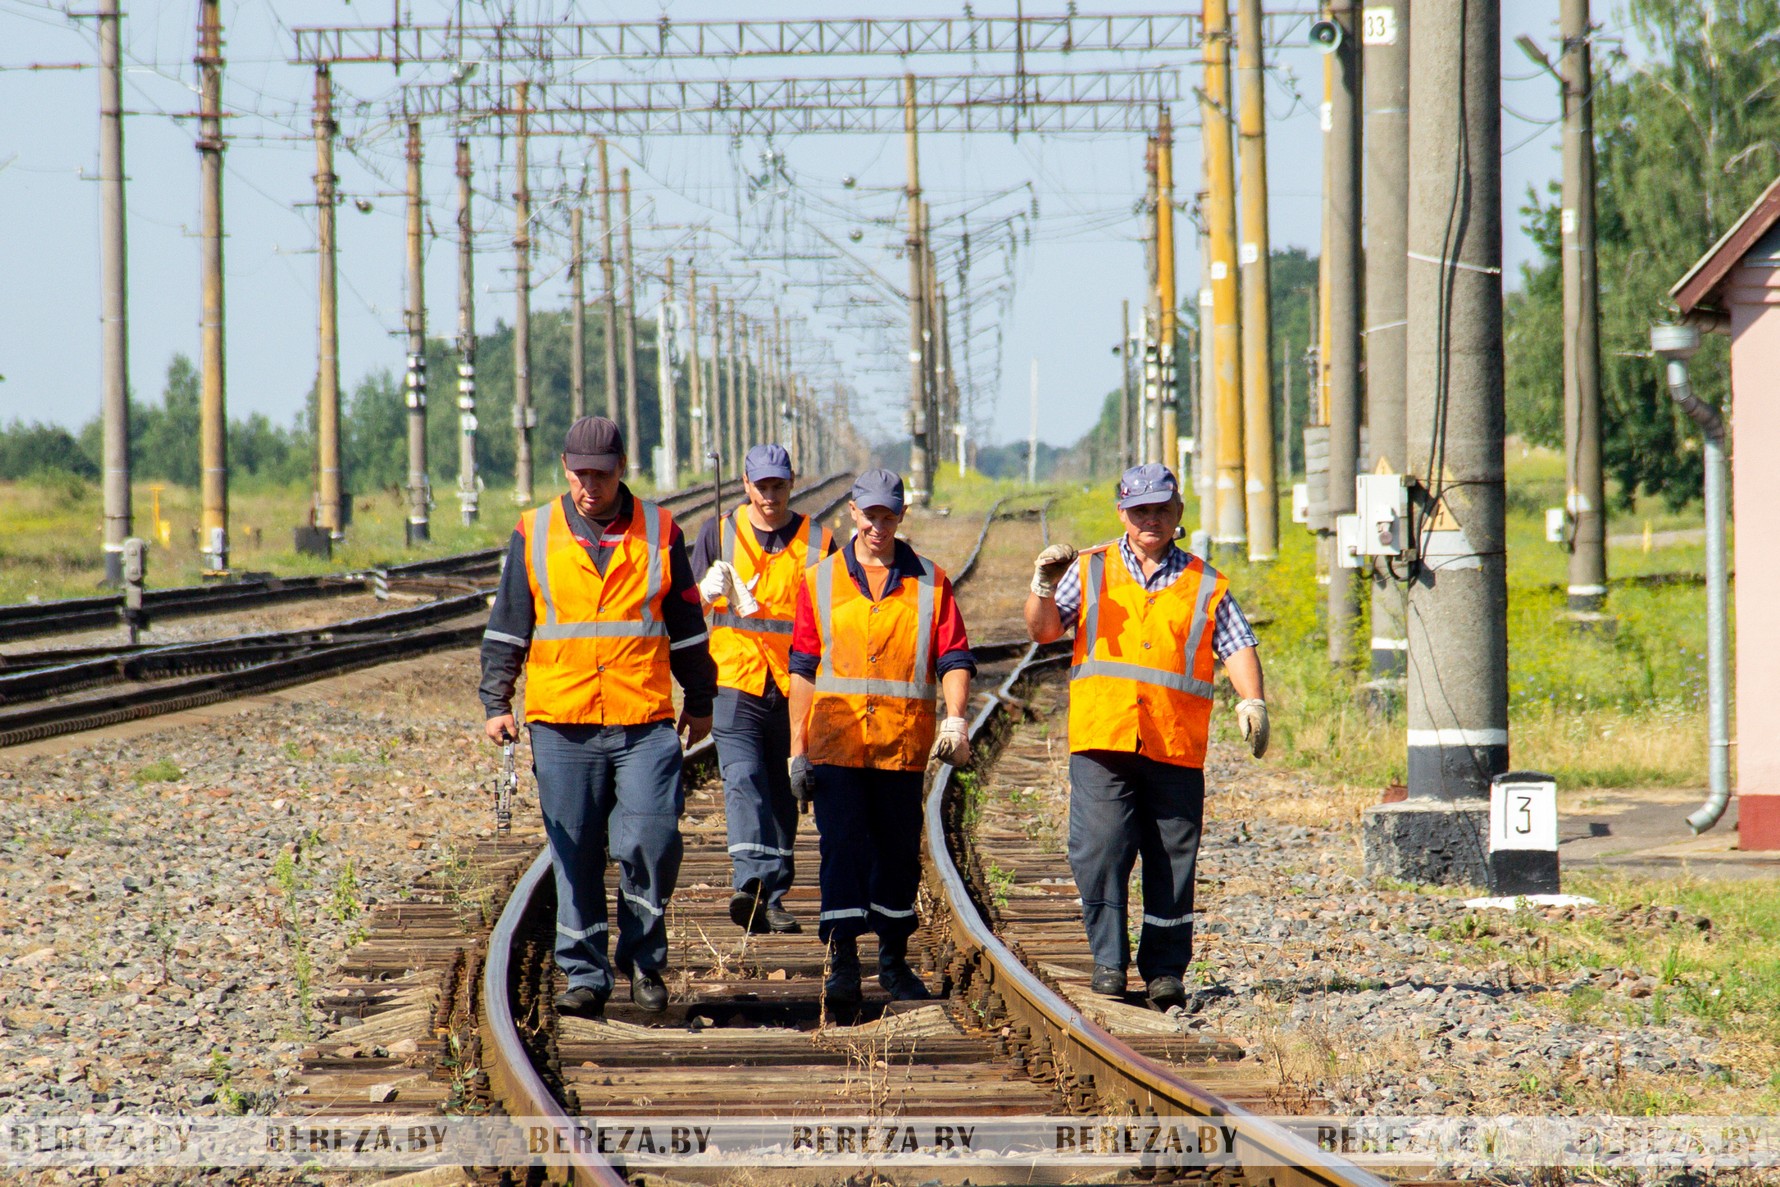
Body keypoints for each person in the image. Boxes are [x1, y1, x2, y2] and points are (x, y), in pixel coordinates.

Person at [480, 416, 717, 1018]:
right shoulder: (533, 532)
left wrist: (703, 697)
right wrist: (496, 701)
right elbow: (510, 622)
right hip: (562, 720)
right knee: (576, 849)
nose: (590, 486)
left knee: (652, 838)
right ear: (565, 468)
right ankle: (585, 974)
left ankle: (642, 960)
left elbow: (687, 625)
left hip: (643, 718)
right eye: (580, 474)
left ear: (621, 471)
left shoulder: (661, 530)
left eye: (602, 475)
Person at [1023, 462, 1269, 1013]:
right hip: (1103, 735)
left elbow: (1236, 643)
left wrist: (1251, 700)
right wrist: (1043, 585)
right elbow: (1043, 631)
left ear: (1178, 512)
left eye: (1160, 508)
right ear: (1123, 515)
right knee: (1100, 850)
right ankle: (1109, 961)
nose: (1150, 519)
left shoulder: (1205, 582)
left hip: (1174, 739)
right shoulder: (1087, 568)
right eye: (1139, 510)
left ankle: (1163, 971)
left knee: (1172, 858)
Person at [786, 469, 975, 1008]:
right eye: (870, 514)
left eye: (888, 515)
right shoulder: (820, 581)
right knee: (840, 850)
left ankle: (893, 961)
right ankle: (842, 961)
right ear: (852, 511)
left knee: (896, 855)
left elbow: (955, 656)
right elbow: (802, 668)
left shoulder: (932, 582)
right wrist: (796, 749)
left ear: (900, 515)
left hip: (901, 746)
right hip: (836, 745)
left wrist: (955, 719)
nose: (878, 524)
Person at [691, 444, 837, 935]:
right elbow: (685, 606)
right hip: (734, 677)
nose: (770, 496)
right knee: (743, 776)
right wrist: (705, 592)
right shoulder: (719, 531)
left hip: (796, 682)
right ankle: (748, 882)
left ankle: (772, 897)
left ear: (791, 483)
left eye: (778, 486)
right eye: (761, 486)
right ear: (745, 483)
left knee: (781, 790)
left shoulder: (820, 541)